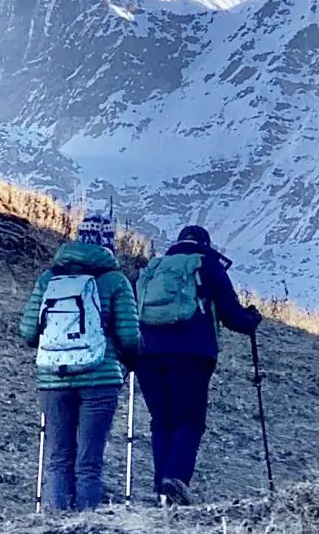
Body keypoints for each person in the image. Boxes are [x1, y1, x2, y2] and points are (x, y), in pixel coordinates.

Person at [19, 213, 140, 511]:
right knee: (89, 461)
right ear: (108, 244)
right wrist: (133, 358)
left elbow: (28, 332)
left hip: (53, 379)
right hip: (100, 379)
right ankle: (84, 525)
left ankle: (54, 521)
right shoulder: (115, 281)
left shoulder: (49, 278)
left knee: (58, 457)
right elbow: (129, 336)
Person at [133, 224, 261, 505]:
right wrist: (252, 320)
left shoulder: (154, 268)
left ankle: (160, 488)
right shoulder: (208, 266)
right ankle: (175, 482)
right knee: (189, 421)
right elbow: (232, 315)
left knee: (161, 421)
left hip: (147, 354)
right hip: (191, 354)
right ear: (205, 243)